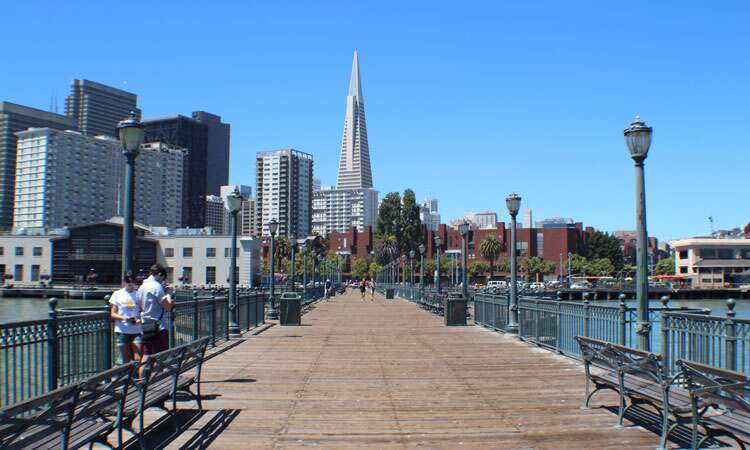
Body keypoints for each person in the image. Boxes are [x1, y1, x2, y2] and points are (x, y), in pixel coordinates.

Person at [138, 264, 173, 362]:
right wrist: (168, 294)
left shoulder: (142, 287)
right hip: (159, 327)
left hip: (145, 325)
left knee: (146, 354)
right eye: (163, 278)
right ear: (159, 274)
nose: (162, 281)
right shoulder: (157, 287)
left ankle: (143, 377)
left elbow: (140, 306)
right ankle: (160, 376)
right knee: (162, 356)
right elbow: (168, 307)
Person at [109, 272, 142, 363]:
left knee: (138, 358)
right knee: (126, 360)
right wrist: (125, 318)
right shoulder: (117, 294)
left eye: (132, 281)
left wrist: (140, 319)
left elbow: (143, 311)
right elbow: (113, 314)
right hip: (122, 330)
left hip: (136, 330)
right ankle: (129, 376)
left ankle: (137, 377)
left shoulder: (139, 294)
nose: (130, 283)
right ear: (124, 282)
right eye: (128, 281)